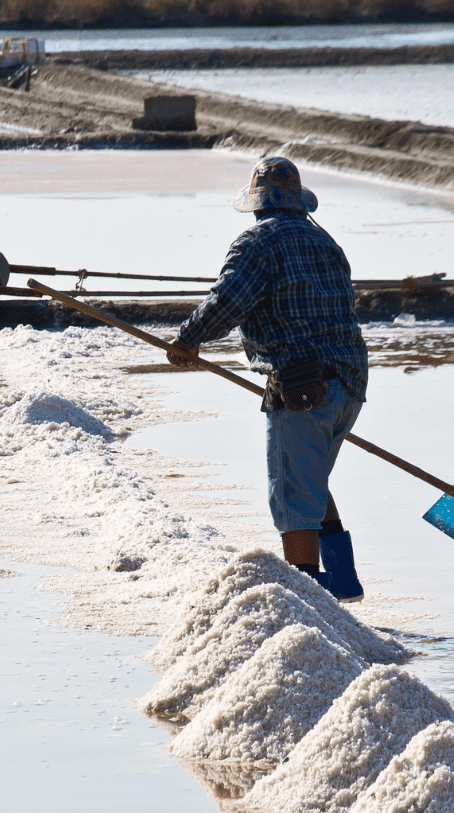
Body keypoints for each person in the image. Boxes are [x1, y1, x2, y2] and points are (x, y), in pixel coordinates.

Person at [166, 157, 368, 600]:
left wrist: (187, 340)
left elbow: (227, 302)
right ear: (298, 202)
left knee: (293, 494)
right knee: (309, 479)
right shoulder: (325, 241)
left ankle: (309, 601)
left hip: (302, 387)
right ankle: (343, 582)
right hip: (350, 384)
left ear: (256, 205)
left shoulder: (256, 243)